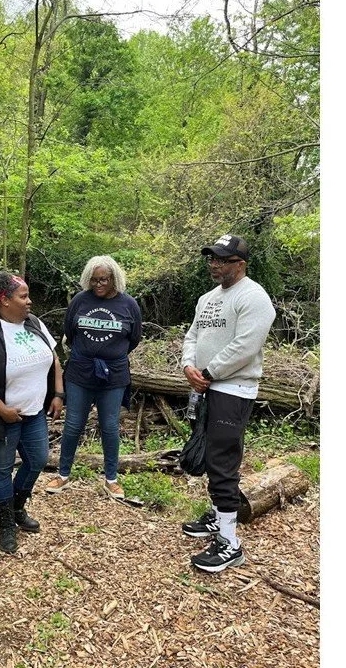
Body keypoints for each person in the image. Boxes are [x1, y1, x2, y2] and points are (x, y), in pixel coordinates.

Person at [180, 234, 275, 573]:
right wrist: (189, 367)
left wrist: (208, 371)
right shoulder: (207, 298)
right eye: (212, 258)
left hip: (232, 389)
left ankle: (230, 543)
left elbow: (246, 345)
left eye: (221, 259)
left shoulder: (254, 297)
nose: (214, 264)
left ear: (241, 264)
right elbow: (192, 335)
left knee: (222, 460)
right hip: (205, 386)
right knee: (209, 454)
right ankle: (218, 518)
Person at [0, 272, 64, 554]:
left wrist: (57, 394)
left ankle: (17, 506)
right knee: (2, 469)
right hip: (0, 416)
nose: (29, 301)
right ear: (4, 300)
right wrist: (2, 409)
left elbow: (54, 359)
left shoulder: (34, 324)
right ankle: (6, 522)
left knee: (38, 459)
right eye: (23, 296)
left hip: (34, 413)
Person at [46, 256, 143, 499]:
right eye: (95, 279)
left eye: (104, 279)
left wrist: (111, 354)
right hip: (80, 372)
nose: (99, 284)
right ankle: (63, 474)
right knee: (73, 425)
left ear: (114, 279)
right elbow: (69, 331)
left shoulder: (128, 304)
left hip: (114, 374)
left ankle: (111, 479)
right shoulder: (80, 300)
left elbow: (134, 338)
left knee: (109, 426)